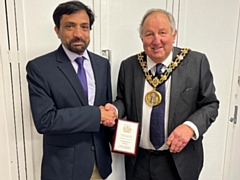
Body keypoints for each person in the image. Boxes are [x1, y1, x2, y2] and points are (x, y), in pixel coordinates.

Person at [107, 8, 219, 180]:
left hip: (180, 160)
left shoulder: (196, 63)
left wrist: (190, 127)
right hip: (139, 161)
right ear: (141, 38)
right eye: (149, 34)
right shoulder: (129, 66)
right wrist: (114, 110)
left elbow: (210, 105)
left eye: (162, 32)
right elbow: (123, 100)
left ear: (174, 35)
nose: (156, 40)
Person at [26, 1, 116, 180]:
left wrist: (117, 128)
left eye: (84, 27)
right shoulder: (40, 68)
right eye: (69, 26)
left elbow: (106, 108)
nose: (78, 34)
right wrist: (96, 116)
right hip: (63, 169)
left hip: (99, 165)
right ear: (57, 30)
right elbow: (45, 120)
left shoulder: (101, 64)